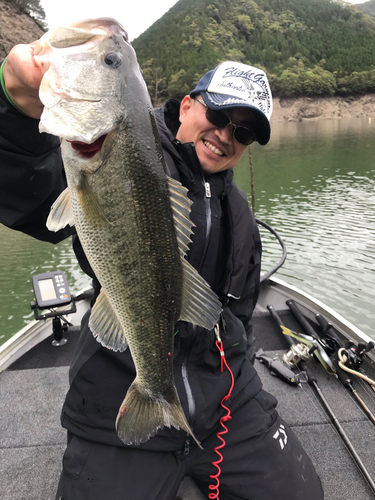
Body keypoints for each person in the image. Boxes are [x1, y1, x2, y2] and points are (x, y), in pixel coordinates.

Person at [0, 43, 324, 500]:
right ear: (188, 104)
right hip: (114, 391)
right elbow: (29, 190)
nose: (227, 134)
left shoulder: (241, 213)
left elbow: (243, 309)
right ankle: (155, 399)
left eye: (245, 132)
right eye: (219, 114)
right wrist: (13, 106)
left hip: (225, 394)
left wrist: (242, 370)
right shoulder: (124, 149)